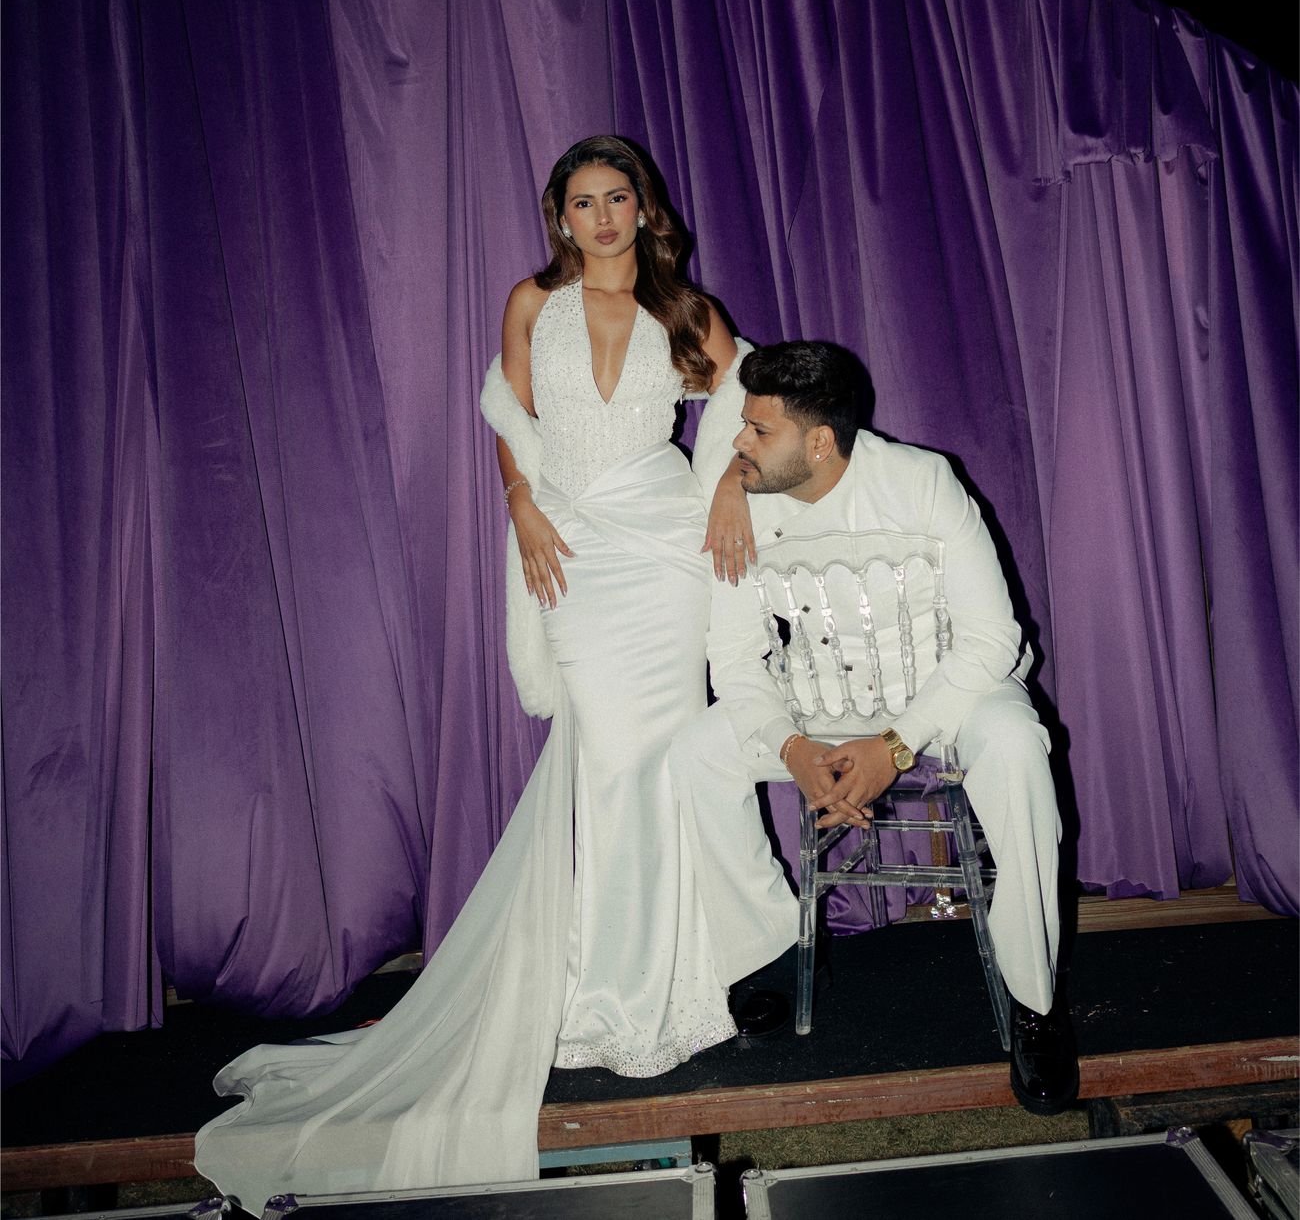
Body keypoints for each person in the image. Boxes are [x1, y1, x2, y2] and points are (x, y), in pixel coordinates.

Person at [193, 137, 760, 1205]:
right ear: (560, 215)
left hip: (664, 546)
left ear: (644, 208)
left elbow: (751, 398)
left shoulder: (687, 309)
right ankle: (603, 987)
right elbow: (509, 413)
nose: (601, 216)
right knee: (607, 766)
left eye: (617, 197)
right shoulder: (531, 303)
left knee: (663, 762)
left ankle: (665, 991)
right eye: (582, 201)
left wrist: (728, 481)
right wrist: (521, 504)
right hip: (575, 547)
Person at [672, 339, 1080, 1115]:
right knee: (696, 752)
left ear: (820, 442)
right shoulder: (742, 504)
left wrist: (895, 745)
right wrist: (794, 748)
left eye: (758, 429)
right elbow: (734, 657)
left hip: (946, 699)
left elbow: (992, 638)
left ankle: (1035, 1000)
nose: (737, 443)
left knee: (1019, 747)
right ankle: (767, 948)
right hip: (813, 711)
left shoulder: (922, 483)